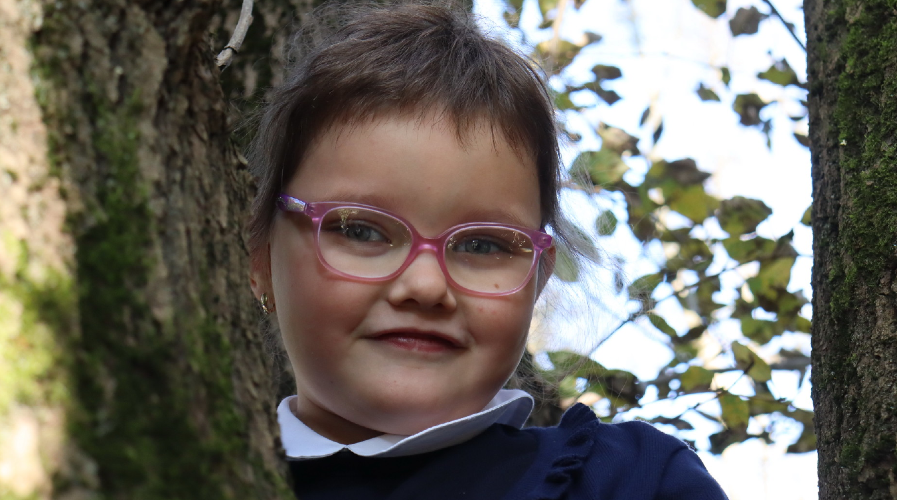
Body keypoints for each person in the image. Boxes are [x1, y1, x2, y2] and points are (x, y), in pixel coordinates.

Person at [245, 2, 729, 498]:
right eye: (362, 231)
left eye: (483, 244)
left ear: (536, 283)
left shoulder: (632, 481)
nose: (428, 286)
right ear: (259, 258)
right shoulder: (182, 466)